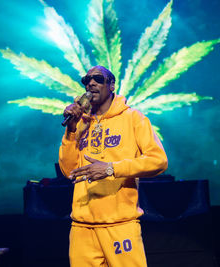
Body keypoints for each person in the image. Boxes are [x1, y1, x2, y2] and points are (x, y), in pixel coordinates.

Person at [59, 65, 168, 267]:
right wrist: (71, 130)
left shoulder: (133, 118)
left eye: (98, 78)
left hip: (120, 224)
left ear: (111, 85)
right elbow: (68, 171)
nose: (90, 83)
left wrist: (111, 169)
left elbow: (158, 160)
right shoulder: (81, 123)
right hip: (82, 227)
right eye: (86, 80)